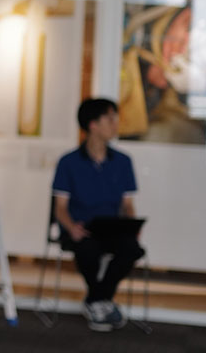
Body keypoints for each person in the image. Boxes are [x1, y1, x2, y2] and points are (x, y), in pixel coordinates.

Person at [52, 96, 144, 332]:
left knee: (132, 249)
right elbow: (60, 208)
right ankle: (102, 302)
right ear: (93, 125)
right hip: (80, 228)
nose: (115, 124)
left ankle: (96, 299)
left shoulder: (123, 161)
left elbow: (127, 205)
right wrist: (71, 227)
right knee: (87, 248)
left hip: (112, 227)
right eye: (110, 119)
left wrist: (132, 226)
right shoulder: (68, 162)